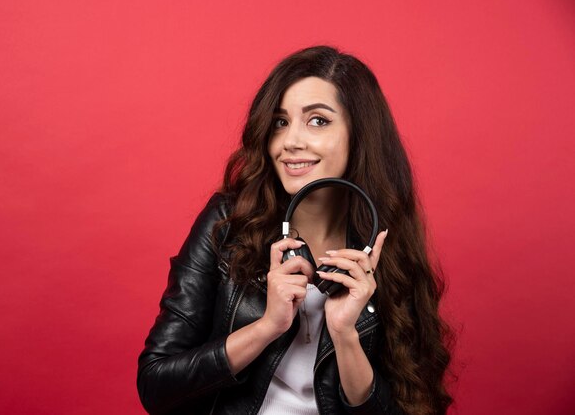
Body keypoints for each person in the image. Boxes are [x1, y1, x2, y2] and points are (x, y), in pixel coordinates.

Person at [137, 46, 454, 415]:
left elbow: (414, 403)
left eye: (318, 121)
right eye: (280, 122)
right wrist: (268, 326)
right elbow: (156, 384)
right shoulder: (227, 225)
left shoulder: (388, 248)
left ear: (360, 135)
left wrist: (345, 335)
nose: (290, 142)